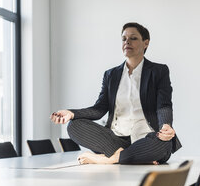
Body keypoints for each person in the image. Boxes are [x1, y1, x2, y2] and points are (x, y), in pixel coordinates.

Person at [50, 22, 181, 164]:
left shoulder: (159, 71)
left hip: (147, 138)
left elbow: (164, 105)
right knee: (74, 126)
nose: (127, 42)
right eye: (124, 39)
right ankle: (131, 157)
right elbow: (99, 109)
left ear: (146, 43)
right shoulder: (111, 75)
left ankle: (110, 159)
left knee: (164, 144)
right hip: (115, 141)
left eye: (133, 38)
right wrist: (71, 113)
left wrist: (166, 125)